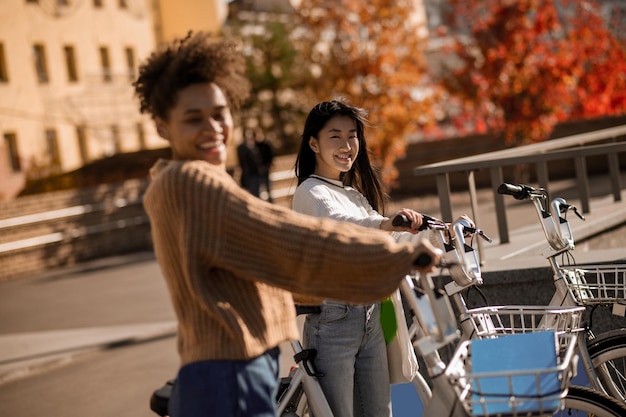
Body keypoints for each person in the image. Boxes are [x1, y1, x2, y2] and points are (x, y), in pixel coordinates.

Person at [133, 32, 442, 417]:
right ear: (162, 126)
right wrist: (394, 255)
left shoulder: (178, 181)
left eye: (219, 113)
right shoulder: (195, 183)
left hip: (229, 364)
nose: (213, 127)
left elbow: (264, 254)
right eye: (193, 118)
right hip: (228, 370)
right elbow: (286, 236)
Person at [292, 98, 428, 417]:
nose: (346, 144)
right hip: (334, 320)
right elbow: (343, 224)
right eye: (335, 135)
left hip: (372, 316)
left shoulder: (352, 193)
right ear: (314, 143)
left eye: (352, 135)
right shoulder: (310, 192)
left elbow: (384, 238)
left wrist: (440, 231)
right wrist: (386, 222)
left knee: (379, 411)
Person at [237, 127, 274, 201]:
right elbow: (243, 162)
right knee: (255, 195)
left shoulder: (254, 145)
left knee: (267, 192)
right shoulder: (242, 147)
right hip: (251, 175)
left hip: (258, 173)